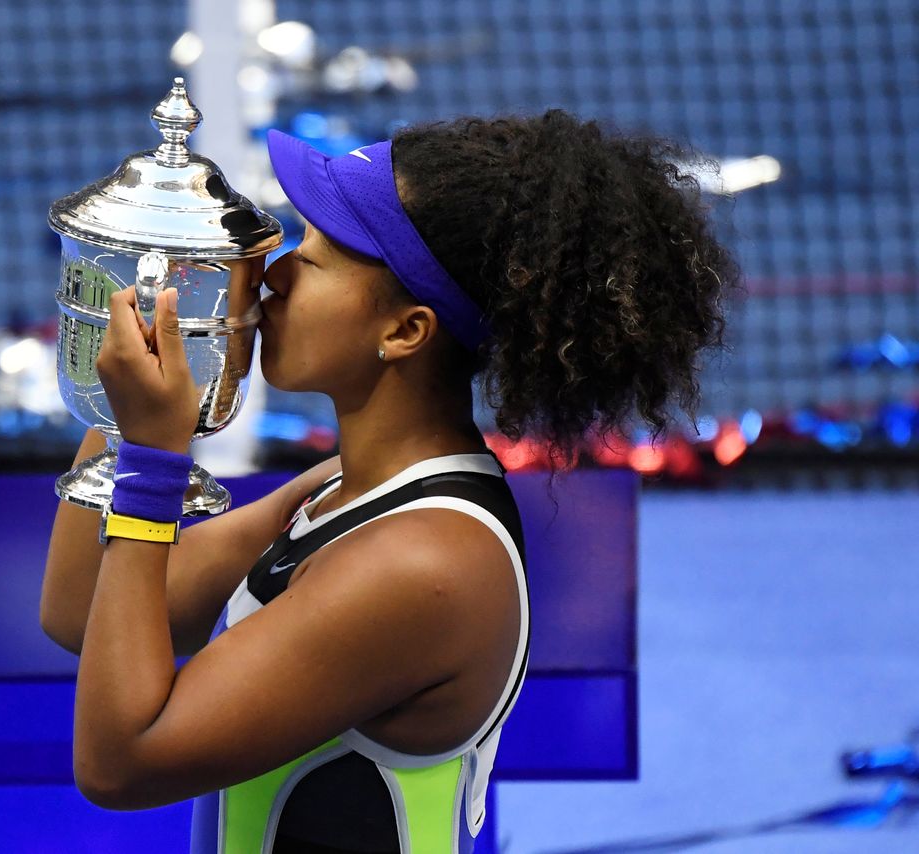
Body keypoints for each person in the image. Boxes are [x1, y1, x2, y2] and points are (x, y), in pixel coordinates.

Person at [40, 110, 741, 853]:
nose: (271, 275)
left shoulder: (423, 563)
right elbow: (82, 610)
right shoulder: (342, 488)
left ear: (404, 331)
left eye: (312, 258)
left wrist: (153, 461)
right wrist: (117, 402)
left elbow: (121, 764)